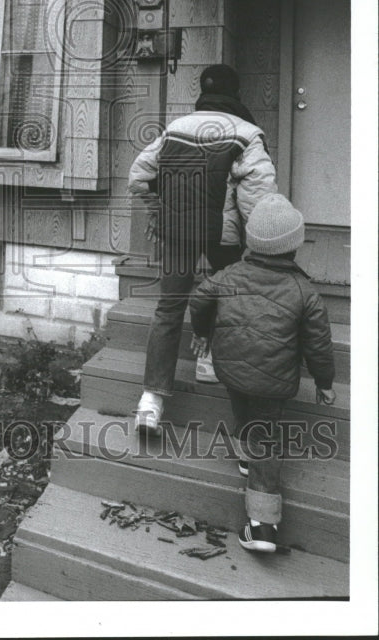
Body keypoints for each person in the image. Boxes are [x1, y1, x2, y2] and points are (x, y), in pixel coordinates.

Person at [128, 64, 277, 433]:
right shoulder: (247, 134)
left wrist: (159, 210)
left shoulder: (175, 129)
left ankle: (150, 401)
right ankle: (207, 359)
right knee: (222, 298)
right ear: (235, 96)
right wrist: (259, 249)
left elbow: (139, 178)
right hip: (221, 234)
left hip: (176, 231)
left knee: (168, 307)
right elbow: (259, 204)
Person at [188, 193, 336, 553]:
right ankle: (264, 526)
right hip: (273, 382)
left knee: (242, 408)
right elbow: (319, 344)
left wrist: (202, 332)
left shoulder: (228, 276)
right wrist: (324, 382)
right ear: (294, 246)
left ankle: (244, 457)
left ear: (252, 241)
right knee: (266, 440)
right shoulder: (304, 290)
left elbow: (198, 299)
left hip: (231, 369)